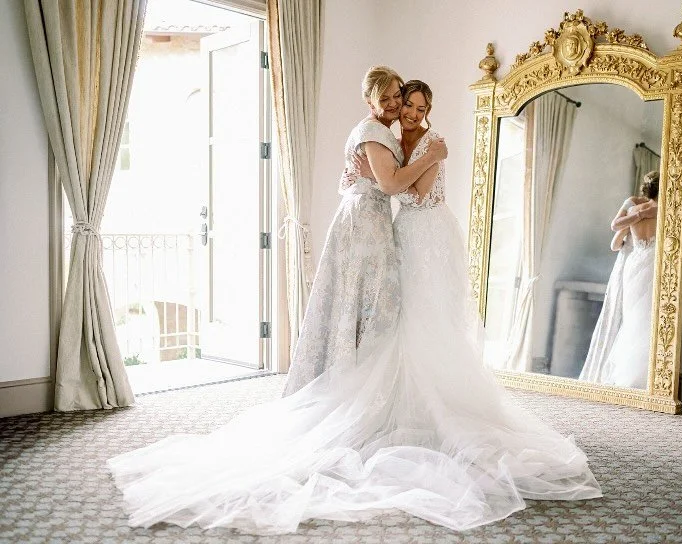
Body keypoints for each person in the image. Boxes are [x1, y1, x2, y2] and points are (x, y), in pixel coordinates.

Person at [106, 77, 600, 536]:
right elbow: (386, 185)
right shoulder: (385, 136)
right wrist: (390, 168)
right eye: (404, 103)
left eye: (417, 107)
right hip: (396, 232)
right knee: (397, 318)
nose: (407, 112)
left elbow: (418, 191)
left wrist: (425, 157)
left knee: (425, 321)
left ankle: (431, 403)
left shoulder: (427, 141)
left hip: (427, 236)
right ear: (390, 103)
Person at [281, 66, 447, 396]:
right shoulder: (374, 131)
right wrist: (430, 158)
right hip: (366, 224)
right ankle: (355, 384)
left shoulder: (383, 132)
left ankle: (365, 379)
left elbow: (367, 181)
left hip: (368, 218)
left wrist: (365, 176)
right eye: (383, 98)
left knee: (362, 299)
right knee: (372, 300)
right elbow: (390, 183)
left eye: (396, 96)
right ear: (368, 100)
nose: (393, 104)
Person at [580, 171, 659, 388]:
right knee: (647, 317)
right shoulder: (662, 211)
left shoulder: (634, 209)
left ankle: (628, 374)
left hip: (633, 264)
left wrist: (635, 220)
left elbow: (615, 242)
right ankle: (643, 376)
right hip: (652, 261)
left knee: (633, 317)